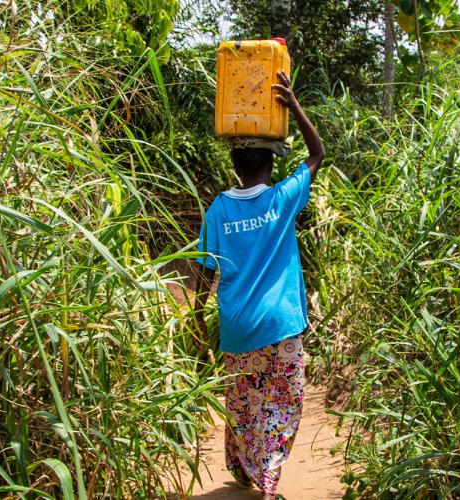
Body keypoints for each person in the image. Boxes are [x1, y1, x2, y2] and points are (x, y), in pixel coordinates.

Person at [193, 70, 324, 499]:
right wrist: (293, 105)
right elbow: (318, 153)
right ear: (271, 165)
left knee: (244, 402)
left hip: (238, 328)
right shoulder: (282, 198)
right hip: (281, 325)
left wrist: (196, 318)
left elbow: (205, 272)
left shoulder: (218, 210)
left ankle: (246, 465)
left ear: (234, 166)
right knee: (282, 402)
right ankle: (268, 475)